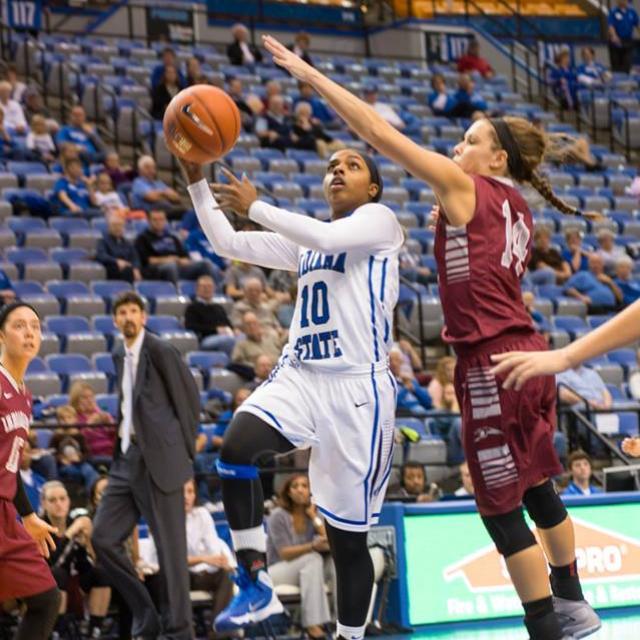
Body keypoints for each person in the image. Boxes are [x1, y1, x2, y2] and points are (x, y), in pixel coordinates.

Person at [261, 35, 601, 640]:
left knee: (500, 509)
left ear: (495, 159)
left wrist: (310, 77)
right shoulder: (515, 203)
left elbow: (379, 135)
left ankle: (546, 625)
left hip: (492, 364)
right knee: (540, 489)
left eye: (470, 141)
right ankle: (572, 596)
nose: (457, 146)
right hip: (531, 355)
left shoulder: (467, 188)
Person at [182, 142, 402, 639]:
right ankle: (254, 582)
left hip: (357, 392)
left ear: (371, 187)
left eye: (351, 165)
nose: (337, 171)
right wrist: (197, 182)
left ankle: (350, 636)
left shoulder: (381, 223)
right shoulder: (307, 242)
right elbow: (226, 242)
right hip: (301, 376)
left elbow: (325, 237)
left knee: (348, 545)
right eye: (331, 166)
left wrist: (256, 206)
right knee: (237, 445)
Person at [91, 291, 200, 640]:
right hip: (126, 460)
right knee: (103, 539)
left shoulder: (160, 350)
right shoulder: (118, 355)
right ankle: (146, 614)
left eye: (133, 311)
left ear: (144, 316)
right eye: (121, 312)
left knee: (171, 552)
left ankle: (181, 631)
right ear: (114, 320)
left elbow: (188, 403)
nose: (128, 317)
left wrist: (187, 464)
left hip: (162, 461)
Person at [0, 302, 61, 640]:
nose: (29, 333)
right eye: (19, 325)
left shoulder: (24, 395)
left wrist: (28, 514)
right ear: (1, 335)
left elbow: (10, 461)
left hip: (7, 513)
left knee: (46, 599)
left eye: (35, 326)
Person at [41, 481, 111, 639]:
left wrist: (88, 544)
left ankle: (94, 632)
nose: (59, 504)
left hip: (74, 584)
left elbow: (87, 565)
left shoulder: (76, 524)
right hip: (45, 586)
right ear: (44, 503)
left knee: (101, 574)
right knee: (58, 574)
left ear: (69, 501)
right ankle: (57, 632)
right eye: (52, 500)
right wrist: (69, 535)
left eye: (63, 498)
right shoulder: (41, 529)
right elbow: (52, 565)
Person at [267, 474, 333, 639]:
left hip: (306, 570)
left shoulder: (314, 515)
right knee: (313, 558)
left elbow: (330, 542)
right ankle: (312, 625)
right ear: (288, 492)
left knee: (333, 563)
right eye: (295, 486)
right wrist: (312, 546)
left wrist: (313, 518)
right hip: (278, 570)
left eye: (305, 486)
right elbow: (284, 553)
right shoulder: (278, 516)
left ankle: (339, 621)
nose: (300, 490)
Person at [135, 209, 215, 283]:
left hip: (178, 267)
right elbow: (148, 261)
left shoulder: (172, 238)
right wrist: (169, 260)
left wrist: (182, 260)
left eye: (161, 219)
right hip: (156, 270)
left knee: (205, 264)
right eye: (155, 220)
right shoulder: (142, 238)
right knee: (171, 266)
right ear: (149, 221)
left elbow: (185, 257)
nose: (158, 222)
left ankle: (216, 293)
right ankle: (177, 293)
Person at [185, 275, 236, 354]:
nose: (207, 289)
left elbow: (227, 323)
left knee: (243, 337)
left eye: (209, 286)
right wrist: (216, 330)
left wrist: (234, 330)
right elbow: (191, 326)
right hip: (205, 338)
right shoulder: (192, 307)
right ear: (197, 289)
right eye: (204, 287)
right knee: (228, 340)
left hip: (225, 335)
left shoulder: (218, 307)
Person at [69, 380, 116, 459]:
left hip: (110, 452)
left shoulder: (101, 414)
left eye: (91, 396)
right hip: (90, 455)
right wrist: (89, 426)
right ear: (76, 400)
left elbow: (115, 437)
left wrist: (110, 425)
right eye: (84, 397)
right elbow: (76, 442)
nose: (89, 400)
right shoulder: (72, 417)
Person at [96, 213, 142, 283]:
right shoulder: (103, 241)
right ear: (109, 227)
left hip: (128, 269)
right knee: (128, 270)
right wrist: (116, 261)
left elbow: (135, 258)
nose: (117, 228)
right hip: (111, 268)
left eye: (120, 225)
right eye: (114, 225)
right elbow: (101, 255)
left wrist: (135, 269)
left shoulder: (127, 243)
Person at [608, 0, 639, 73]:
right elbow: (611, 26)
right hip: (616, 40)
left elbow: (637, 25)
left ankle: (626, 80)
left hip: (628, 41)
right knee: (616, 63)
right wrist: (614, 36)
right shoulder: (613, 12)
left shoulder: (632, 12)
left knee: (627, 62)